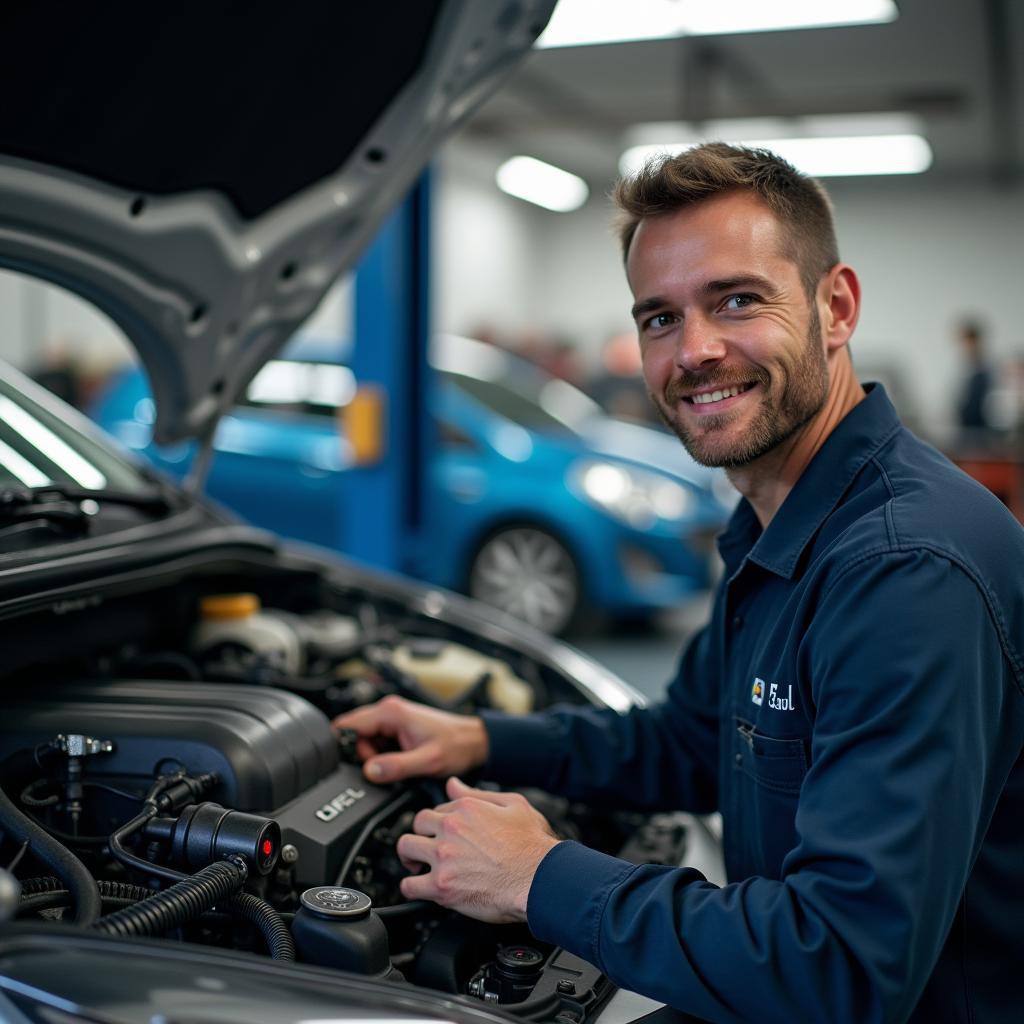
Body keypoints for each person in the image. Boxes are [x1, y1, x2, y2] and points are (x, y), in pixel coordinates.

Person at [334, 143, 1024, 1023]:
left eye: (736, 300)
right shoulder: (782, 519)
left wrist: (541, 877)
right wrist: (479, 739)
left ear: (835, 307)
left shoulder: (902, 570)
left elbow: (842, 964)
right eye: (659, 318)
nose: (694, 351)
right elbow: (697, 740)